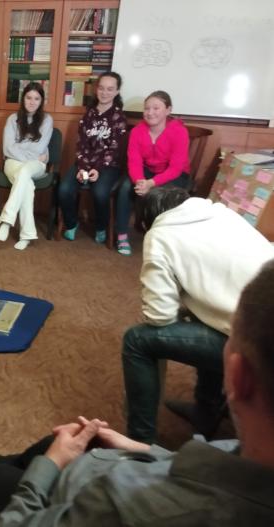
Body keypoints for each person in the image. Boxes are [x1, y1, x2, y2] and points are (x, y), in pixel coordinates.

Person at [0, 258, 274, 526]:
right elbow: (217, 464)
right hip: (118, 469)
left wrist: (51, 465)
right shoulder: (254, 455)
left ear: (238, 376)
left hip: (75, 499)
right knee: (62, 442)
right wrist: (139, 447)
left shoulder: (131, 506)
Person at [123, 187, 274, 443]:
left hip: (260, 346)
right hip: (259, 318)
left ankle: (139, 443)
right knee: (204, 317)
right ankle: (206, 411)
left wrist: (184, 300)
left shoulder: (160, 235)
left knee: (137, 341)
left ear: (147, 220)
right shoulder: (223, 213)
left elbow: (159, 315)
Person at [115, 90, 190, 256]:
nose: (150, 112)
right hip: (147, 171)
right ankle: (121, 234)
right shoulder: (137, 131)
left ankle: (161, 241)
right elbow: (134, 162)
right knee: (126, 187)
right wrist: (139, 181)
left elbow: (175, 168)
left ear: (168, 110)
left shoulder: (179, 131)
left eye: (156, 108)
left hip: (174, 174)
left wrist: (151, 183)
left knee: (162, 195)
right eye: (147, 108)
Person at [57, 72, 127, 244]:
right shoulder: (88, 114)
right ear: (96, 89)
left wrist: (97, 169)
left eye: (110, 89)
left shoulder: (119, 117)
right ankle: (71, 223)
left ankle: (101, 227)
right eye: (101, 88)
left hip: (108, 166)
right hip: (85, 162)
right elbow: (81, 143)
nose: (104, 92)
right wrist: (82, 167)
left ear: (117, 91)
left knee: (100, 193)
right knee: (64, 189)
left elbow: (115, 148)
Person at [0, 82, 54, 251]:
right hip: (13, 163)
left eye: (36, 98)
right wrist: (31, 154)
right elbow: (7, 148)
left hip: (36, 166)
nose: (32, 102)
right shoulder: (12, 119)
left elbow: (39, 148)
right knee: (26, 183)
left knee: (26, 171)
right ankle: (27, 234)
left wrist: (21, 150)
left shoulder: (47, 120)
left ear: (41, 101)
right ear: (23, 99)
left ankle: (7, 220)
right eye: (29, 97)